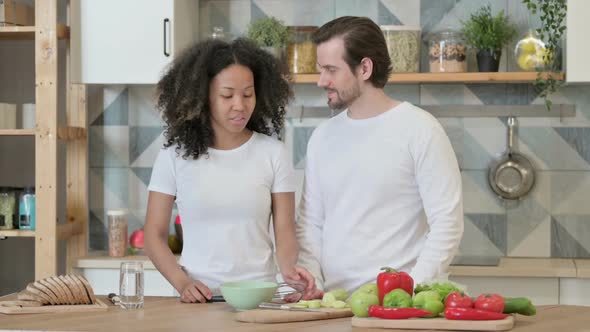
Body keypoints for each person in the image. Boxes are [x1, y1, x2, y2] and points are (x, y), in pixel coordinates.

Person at [296, 16, 464, 297]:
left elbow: (448, 224)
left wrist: (410, 292)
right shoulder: (322, 138)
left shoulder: (421, 130)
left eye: (330, 70)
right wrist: (313, 280)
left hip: (399, 306)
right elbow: (311, 223)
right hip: (334, 304)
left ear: (364, 68)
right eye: (320, 70)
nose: (321, 81)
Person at [144, 38, 315, 303]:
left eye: (248, 94)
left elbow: (285, 231)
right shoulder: (173, 157)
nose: (240, 105)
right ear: (203, 97)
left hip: (260, 297)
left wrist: (290, 273)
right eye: (227, 95)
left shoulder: (274, 153)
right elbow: (153, 236)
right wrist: (183, 283)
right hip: (200, 300)